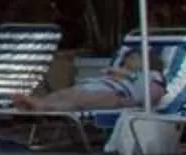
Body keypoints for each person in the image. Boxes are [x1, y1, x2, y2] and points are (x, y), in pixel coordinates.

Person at [11, 43, 154, 113]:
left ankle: (42, 106)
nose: (130, 59)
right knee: (65, 93)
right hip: (98, 85)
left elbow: (150, 95)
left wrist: (131, 100)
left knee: (78, 99)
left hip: (116, 94)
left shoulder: (149, 75)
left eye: (136, 57)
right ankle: (39, 103)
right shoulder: (119, 70)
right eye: (129, 57)